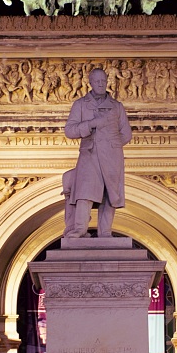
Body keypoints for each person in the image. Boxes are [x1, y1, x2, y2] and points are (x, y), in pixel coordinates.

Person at [64, 67, 131, 238]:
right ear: (91, 83)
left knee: (110, 194)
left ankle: (105, 232)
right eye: (97, 81)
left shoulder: (117, 107)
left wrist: (110, 145)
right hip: (89, 154)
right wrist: (91, 124)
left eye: (104, 81)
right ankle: (80, 229)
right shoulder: (80, 104)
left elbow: (126, 133)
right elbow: (70, 131)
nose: (101, 84)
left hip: (111, 156)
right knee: (84, 192)